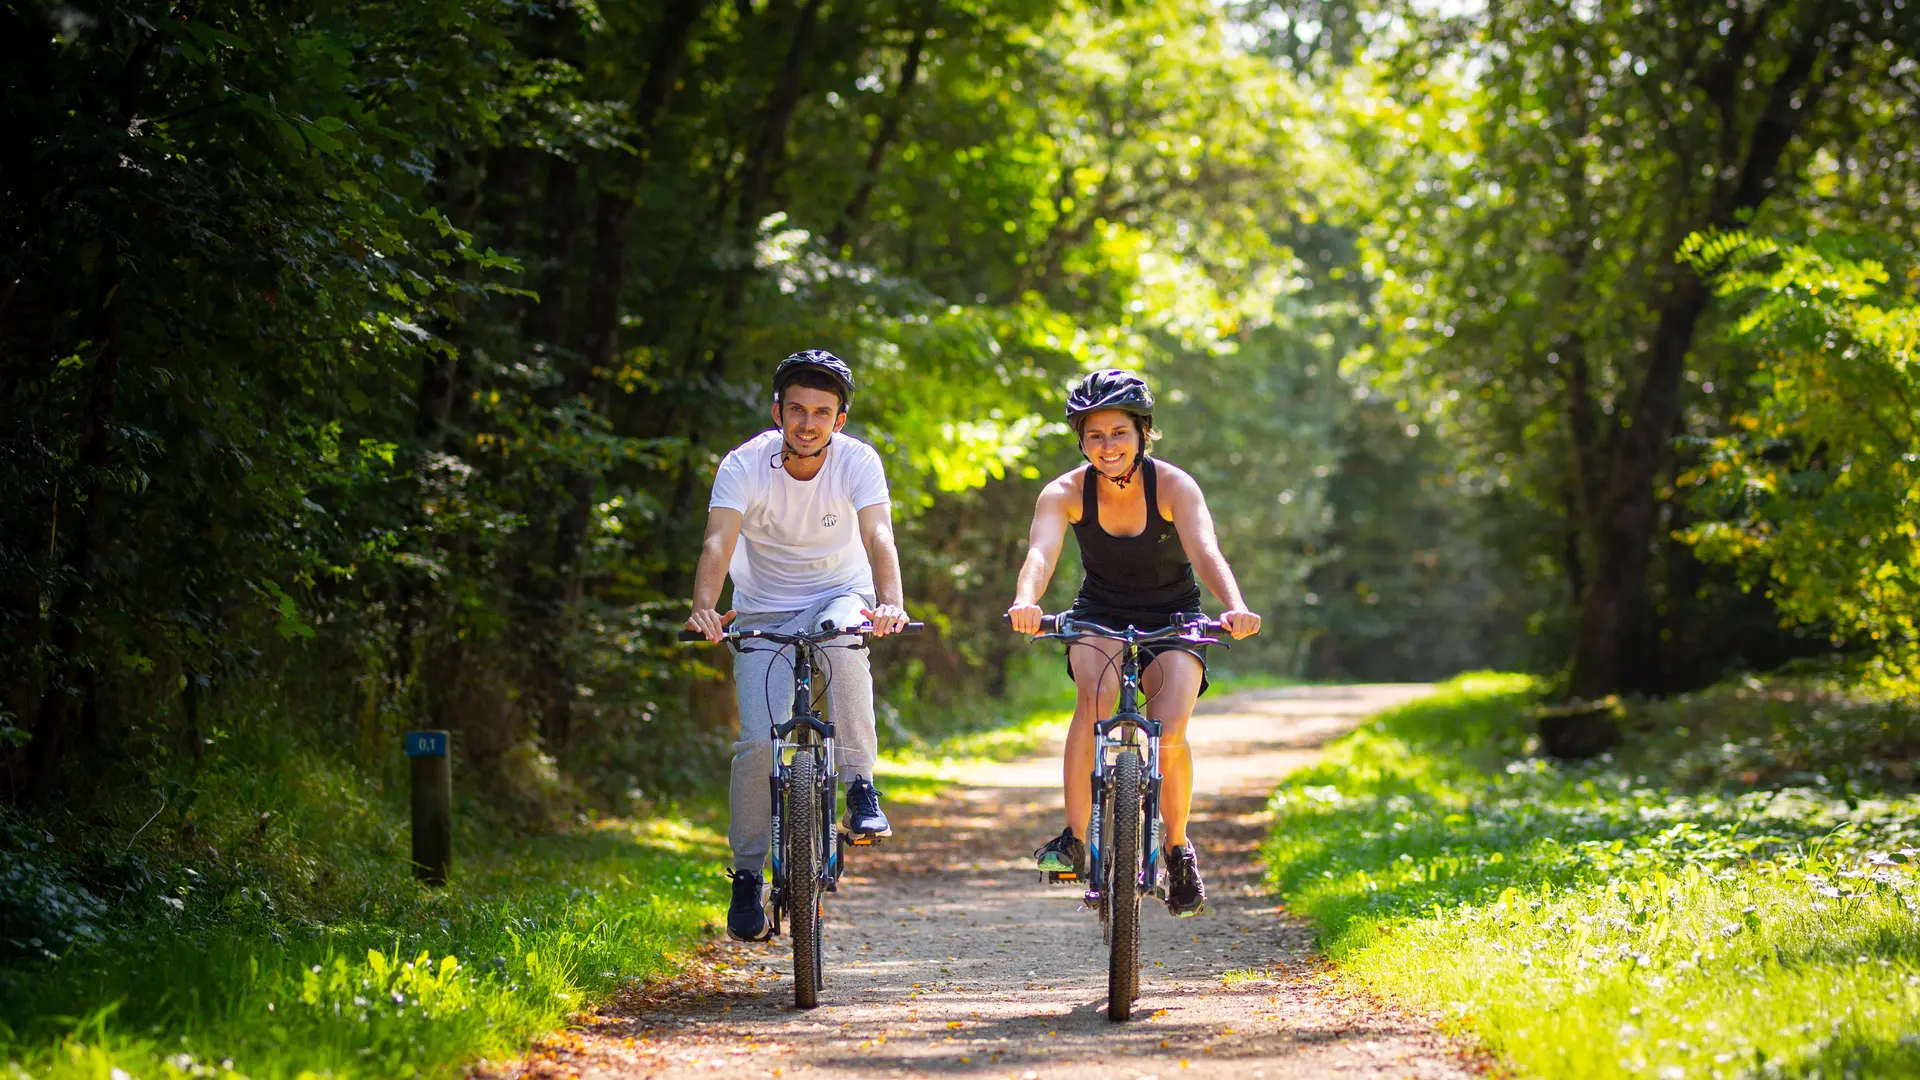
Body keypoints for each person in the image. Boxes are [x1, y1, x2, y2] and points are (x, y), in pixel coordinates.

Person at [1005, 369, 1261, 917]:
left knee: (1169, 728)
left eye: (1118, 432)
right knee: (1093, 702)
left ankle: (1176, 847)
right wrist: (1027, 600)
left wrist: (1233, 606)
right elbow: (1041, 554)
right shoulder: (1066, 491)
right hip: (1100, 613)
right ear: (1081, 441)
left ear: (1143, 432)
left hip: (1174, 615)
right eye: (1095, 436)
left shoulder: (1172, 485)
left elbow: (1205, 550)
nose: (1108, 446)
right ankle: (1075, 839)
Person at [687, 350, 911, 942]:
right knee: (759, 742)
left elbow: (878, 533)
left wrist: (890, 600)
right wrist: (705, 606)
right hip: (762, 609)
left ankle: (861, 785)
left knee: (843, 638)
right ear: (777, 412)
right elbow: (717, 539)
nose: (808, 423)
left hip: (840, 592)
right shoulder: (744, 465)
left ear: (839, 420)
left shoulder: (858, 461)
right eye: (796, 410)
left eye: (821, 412)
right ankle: (747, 874)